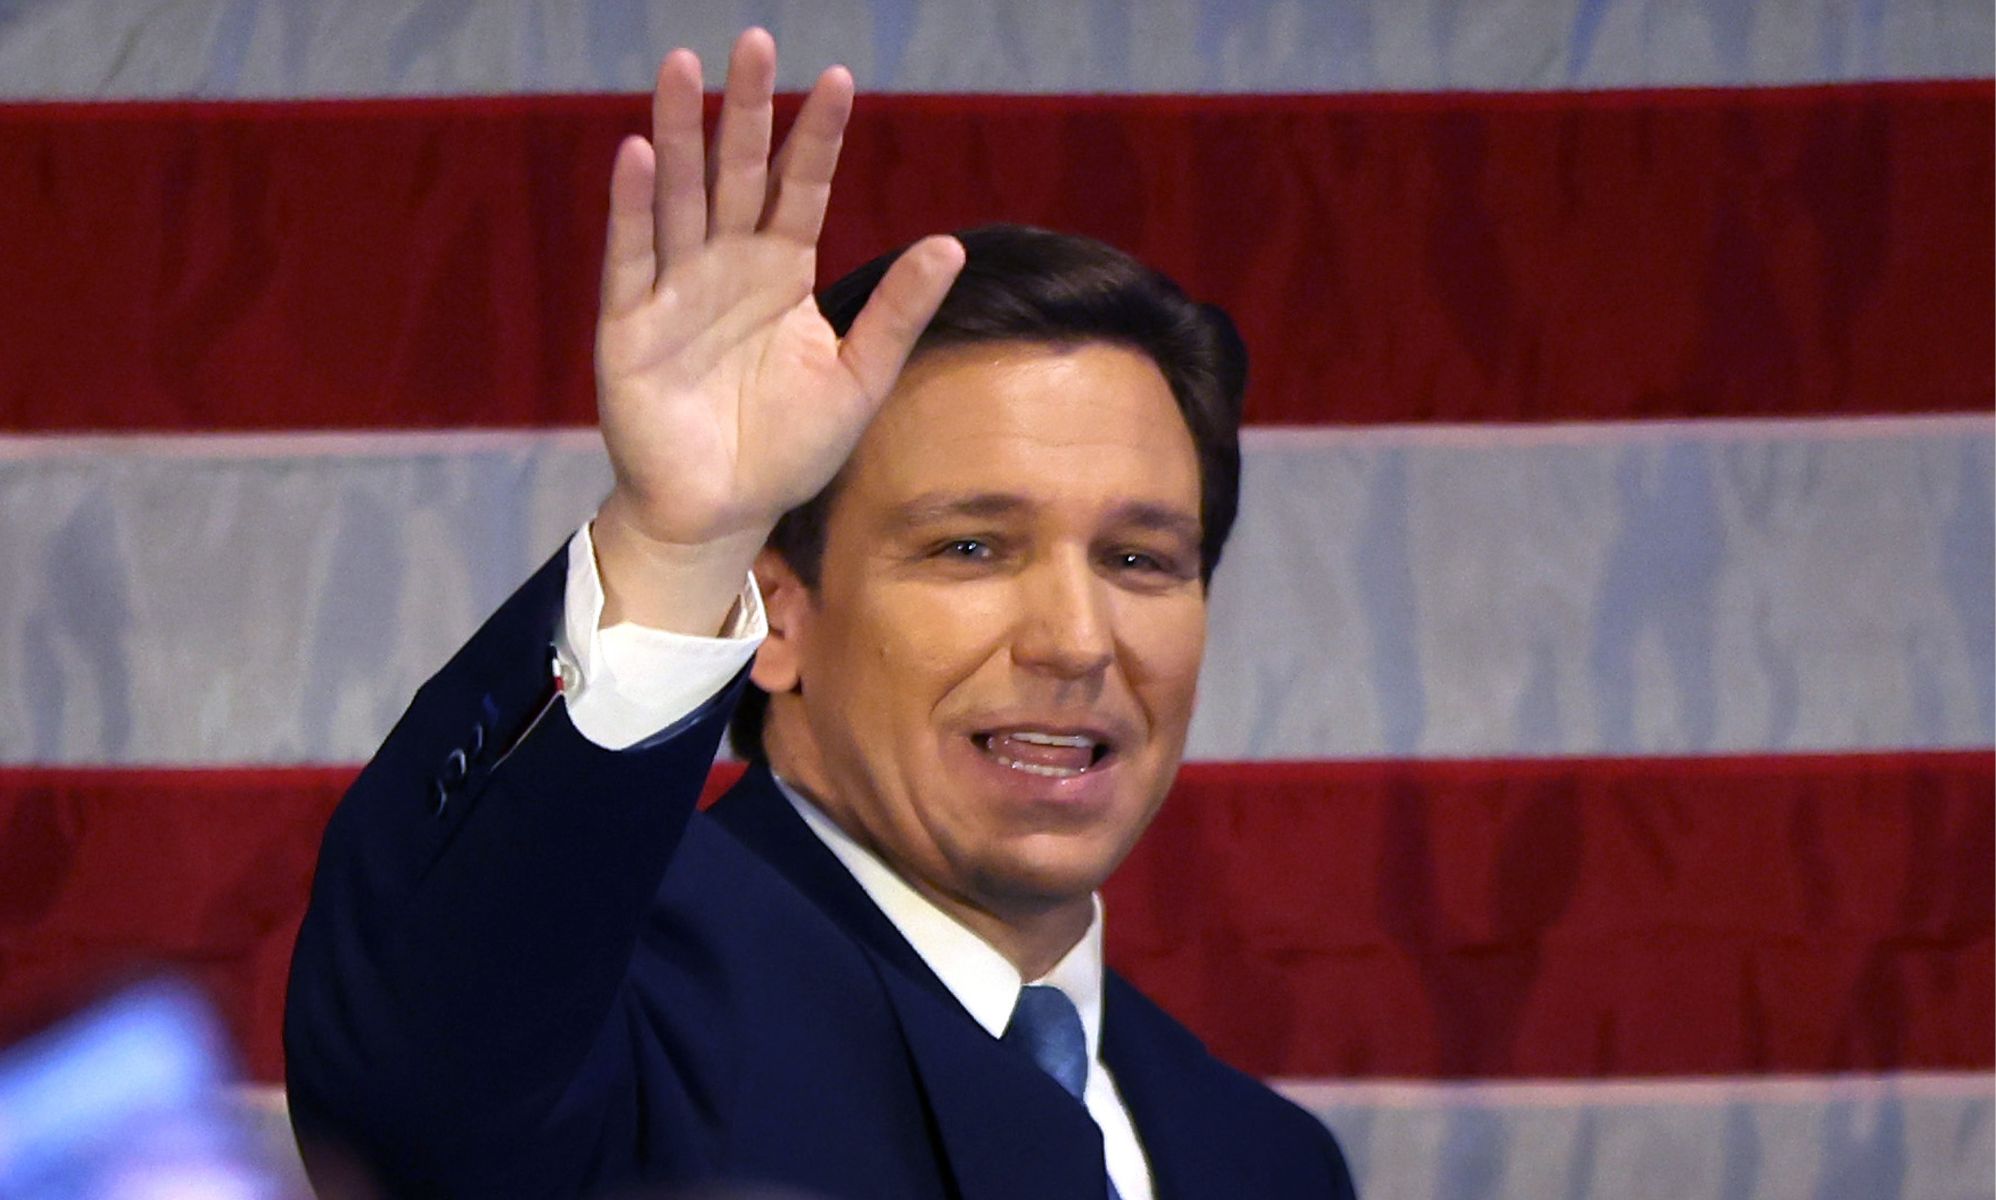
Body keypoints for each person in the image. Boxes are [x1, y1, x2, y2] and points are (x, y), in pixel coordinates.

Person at [284, 27, 1356, 1200]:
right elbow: (413, 1103)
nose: (1075, 639)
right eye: (970, 547)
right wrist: (681, 543)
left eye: (1141, 559)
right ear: (780, 615)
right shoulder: (597, 1010)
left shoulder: (1265, 1158)